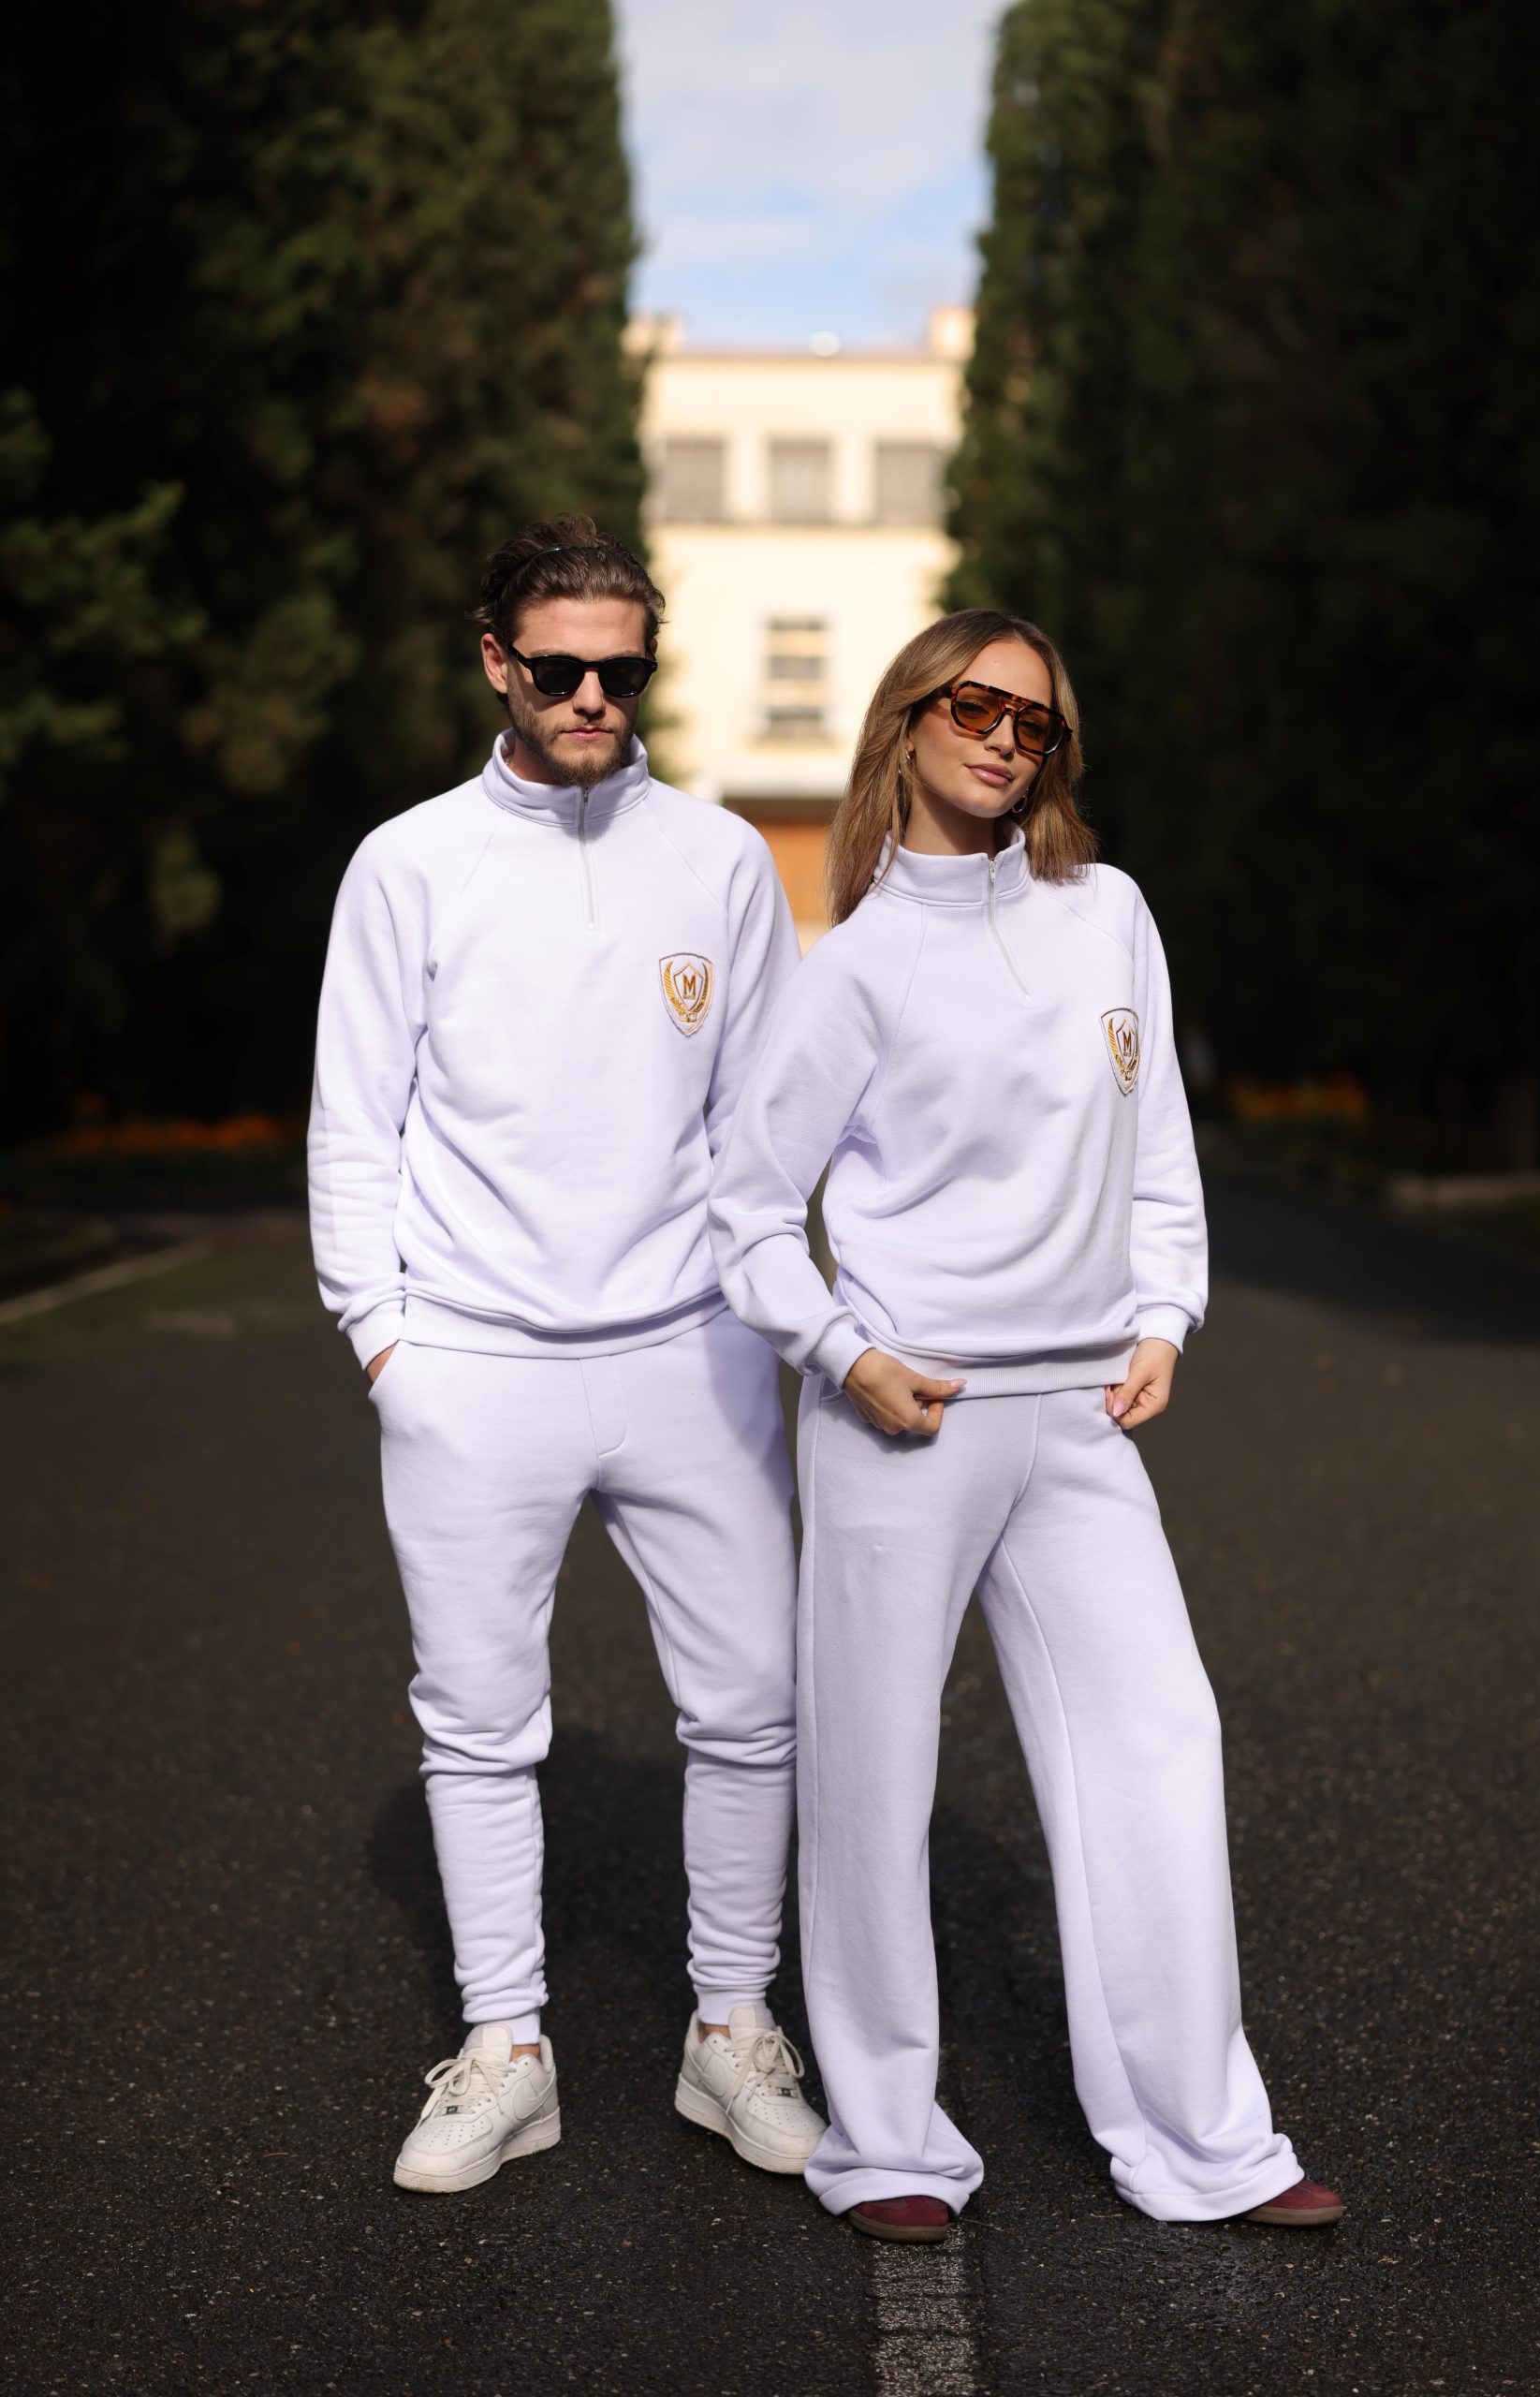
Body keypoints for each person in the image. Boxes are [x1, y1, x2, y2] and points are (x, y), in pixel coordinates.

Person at [709, 610, 1342, 2243]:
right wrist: (845, 1355)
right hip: (905, 1414)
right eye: (975, 707)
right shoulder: (851, 968)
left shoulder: (1106, 914)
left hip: (1079, 1412)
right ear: (908, 720)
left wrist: (1166, 1312)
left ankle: (1203, 2140)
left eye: (1035, 722)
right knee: (873, 1776)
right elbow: (750, 1217)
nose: (1004, 738)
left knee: (1160, 1742)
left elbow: (1159, 1150)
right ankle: (889, 2140)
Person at [308, 517, 823, 2195]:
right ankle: (507, 2048)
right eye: (558, 668)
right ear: (497, 663)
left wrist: (764, 1318)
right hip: (471, 1364)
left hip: (692, 1357)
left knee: (752, 1710)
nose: (593, 696)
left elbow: (765, 1123)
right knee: (478, 1727)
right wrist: (388, 1344)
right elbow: (354, 1121)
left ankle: (730, 2028)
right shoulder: (408, 864)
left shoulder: (724, 861)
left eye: (622, 669)